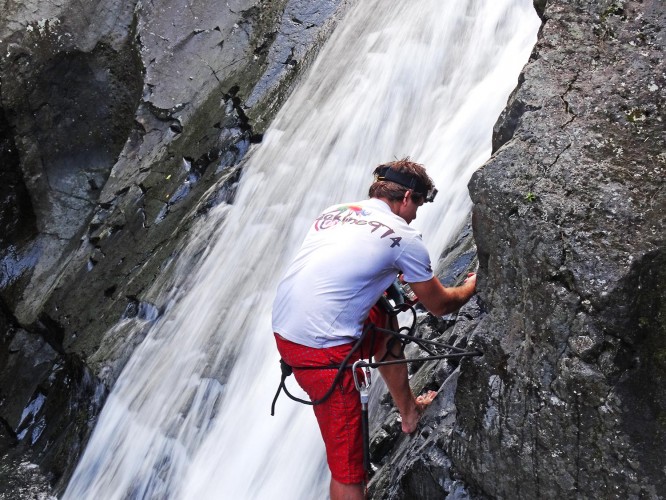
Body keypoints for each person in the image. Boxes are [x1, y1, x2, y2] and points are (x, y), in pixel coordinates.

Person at [271, 158, 477, 500]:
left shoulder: (335, 211)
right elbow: (439, 305)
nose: (415, 216)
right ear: (407, 197)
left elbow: (339, 267)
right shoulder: (402, 236)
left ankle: (408, 413)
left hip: (287, 327)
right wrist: (473, 285)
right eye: (419, 206)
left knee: (383, 318)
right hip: (321, 352)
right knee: (349, 471)